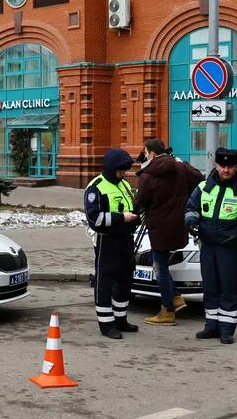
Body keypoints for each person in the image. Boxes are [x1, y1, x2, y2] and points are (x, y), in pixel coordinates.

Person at [184, 147, 237, 344]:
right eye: (223, 166)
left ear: (236, 166)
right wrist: (192, 223)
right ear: (216, 165)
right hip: (207, 244)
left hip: (230, 246)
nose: (226, 170)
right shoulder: (204, 187)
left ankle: (227, 329)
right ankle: (211, 326)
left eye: (230, 166)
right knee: (210, 286)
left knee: (228, 288)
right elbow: (191, 208)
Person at [134, 139, 203, 326]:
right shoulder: (180, 167)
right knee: (162, 264)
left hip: (158, 226)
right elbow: (199, 178)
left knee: (160, 267)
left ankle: (168, 309)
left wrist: (134, 212)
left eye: (146, 152)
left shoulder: (148, 174)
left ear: (152, 154)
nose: (144, 156)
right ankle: (175, 298)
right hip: (177, 223)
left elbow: (141, 201)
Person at [84, 148, 139, 339]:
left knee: (125, 280)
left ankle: (120, 319)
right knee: (105, 282)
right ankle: (106, 324)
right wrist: (122, 218)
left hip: (125, 240)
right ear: (110, 169)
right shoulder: (96, 187)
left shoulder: (123, 184)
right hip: (107, 241)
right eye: (120, 170)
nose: (123, 173)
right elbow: (95, 219)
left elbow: (130, 205)